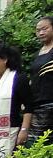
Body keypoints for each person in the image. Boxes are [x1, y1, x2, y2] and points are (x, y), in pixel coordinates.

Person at [29, 16, 53, 145]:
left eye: (45, 29)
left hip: (51, 102)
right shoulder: (37, 53)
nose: (41, 33)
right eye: (38, 30)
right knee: (37, 142)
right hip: (37, 104)